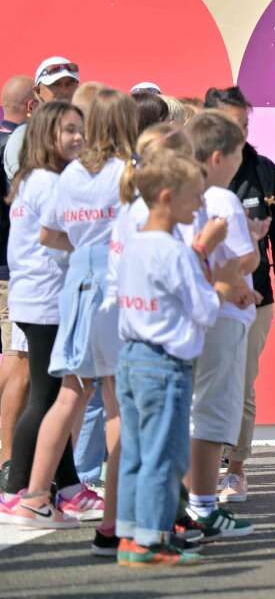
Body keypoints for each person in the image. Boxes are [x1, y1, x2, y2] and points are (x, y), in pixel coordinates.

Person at [113, 148, 247, 567]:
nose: (200, 209)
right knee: (163, 455)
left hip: (132, 358)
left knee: (136, 452)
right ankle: (153, 540)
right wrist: (224, 284)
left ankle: (131, 535)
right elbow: (205, 311)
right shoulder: (174, 253)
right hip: (165, 366)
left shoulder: (133, 244)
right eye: (195, 198)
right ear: (168, 197)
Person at [16, 89, 138, 545]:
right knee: (115, 397)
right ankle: (116, 514)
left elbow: (50, 233)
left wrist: (86, 250)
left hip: (77, 286)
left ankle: (34, 495)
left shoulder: (68, 175)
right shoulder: (127, 173)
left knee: (70, 392)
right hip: (113, 289)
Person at [203, 86, 275, 504]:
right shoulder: (188, 174)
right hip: (199, 299)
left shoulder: (263, 171)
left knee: (241, 384)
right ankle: (199, 471)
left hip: (252, 301)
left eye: (243, 124)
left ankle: (235, 468)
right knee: (202, 387)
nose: (238, 132)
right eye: (229, 124)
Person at [0, 101, 86, 526]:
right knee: (47, 397)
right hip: (47, 300)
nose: (77, 138)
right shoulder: (49, 182)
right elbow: (58, 237)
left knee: (53, 396)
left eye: (80, 130)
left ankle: (67, 487)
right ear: (46, 136)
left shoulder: (32, 179)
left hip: (38, 299)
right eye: (68, 130)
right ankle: (17, 489)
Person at [177, 111, 261, 538]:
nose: (239, 163)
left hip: (195, 313)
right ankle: (203, 505)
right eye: (236, 155)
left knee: (191, 409)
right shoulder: (222, 198)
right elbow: (239, 259)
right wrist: (241, 283)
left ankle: (188, 504)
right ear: (216, 157)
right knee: (211, 414)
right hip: (222, 315)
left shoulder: (177, 193)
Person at [0, 74, 34, 471]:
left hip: (12, 267)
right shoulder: (22, 146)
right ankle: (9, 457)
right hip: (13, 270)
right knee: (18, 362)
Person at [3, 56, 79, 180]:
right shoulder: (24, 136)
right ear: (37, 91)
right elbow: (28, 186)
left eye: (69, 84)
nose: (64, 91)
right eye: (56, 85)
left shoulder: (85, 131)